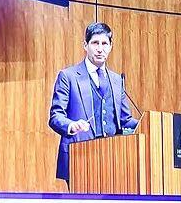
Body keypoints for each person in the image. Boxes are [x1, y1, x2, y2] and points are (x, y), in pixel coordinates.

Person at [48, 22, 139, 183]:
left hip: (113, 159)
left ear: (110, 46)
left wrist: (148, 123)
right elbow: (56, 116)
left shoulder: (117, 80)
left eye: (104, 44)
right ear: (86, 45)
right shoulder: (68, 76)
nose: (100, 49)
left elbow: (125, 120)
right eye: (95, 43)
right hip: (80, 156)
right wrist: (71, 125)